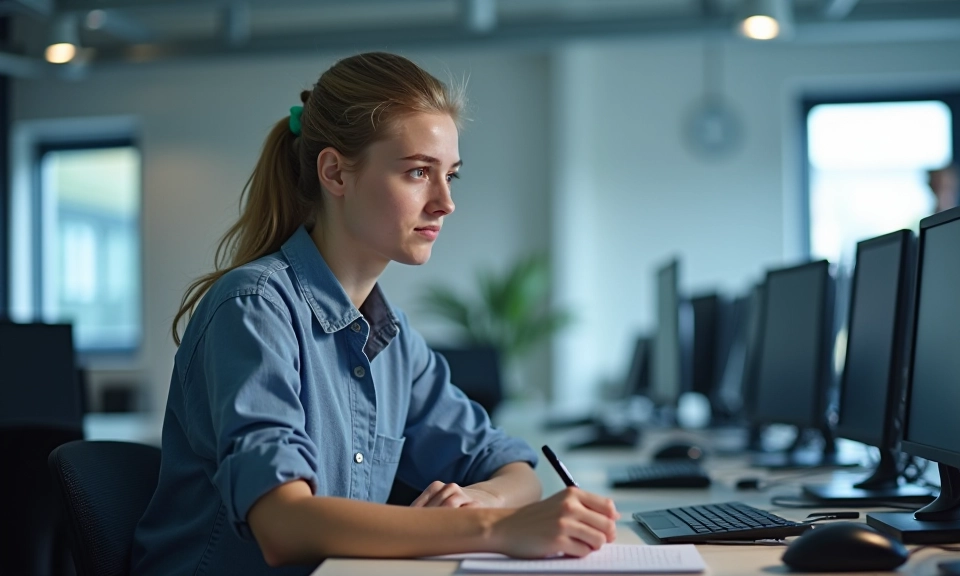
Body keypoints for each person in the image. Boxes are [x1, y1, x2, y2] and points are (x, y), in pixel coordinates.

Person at [130, 52, 619, 576]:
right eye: (417, 172)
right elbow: (282, 524)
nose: (445, 202)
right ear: (335, 173)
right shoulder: (253, 309)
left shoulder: (392, 339)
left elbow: (513, 466)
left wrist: (484, 504)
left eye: (450, 175)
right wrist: (494, 530)